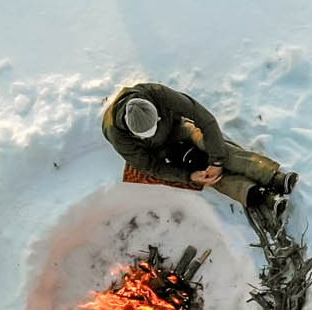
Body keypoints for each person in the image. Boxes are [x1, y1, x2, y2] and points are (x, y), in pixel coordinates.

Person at [101, 82, 299, 214]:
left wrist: (217, 161)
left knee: (213, 146)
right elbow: (150, 167)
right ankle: (259, 196)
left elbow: (205, 120)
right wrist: (189, 177)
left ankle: (272, 176)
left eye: (154, 126)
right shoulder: (117, 134)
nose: (152, 133)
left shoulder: (157, 94)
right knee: (202, 171)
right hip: (162, 154)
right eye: (146, 134)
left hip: (179, 130)